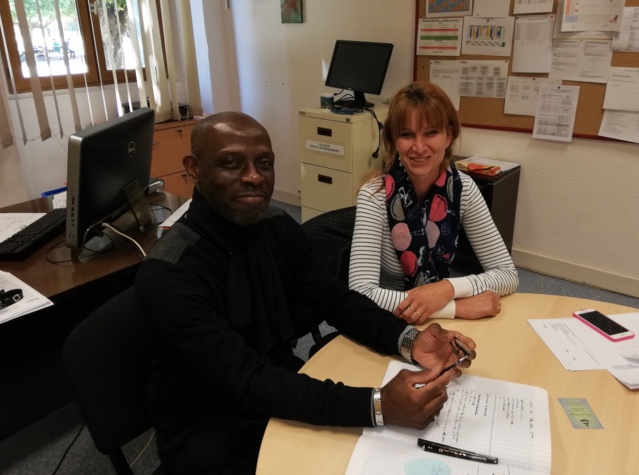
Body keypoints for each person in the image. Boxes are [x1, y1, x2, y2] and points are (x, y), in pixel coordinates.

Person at [134, 111, 477, 474]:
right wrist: (377, 406)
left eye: (264, 163)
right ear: (194, 169)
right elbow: (247, 378)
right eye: (231, 163)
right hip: (212, 429)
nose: (253, 176)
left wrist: (409, 340)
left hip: (278, 391)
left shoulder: (277, 228)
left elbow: (336, 300)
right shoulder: (169, 273)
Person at [349, 81, 518, 324]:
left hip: (435, 321)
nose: (419, 147)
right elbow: (360, 294)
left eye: (430, 133)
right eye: (407, 134)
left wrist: (447, 288)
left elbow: (507, 274)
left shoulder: (464, 189)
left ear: (448, 136)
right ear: (394, 139)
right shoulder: (373, 196)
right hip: (386, 322)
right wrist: (454, 307)